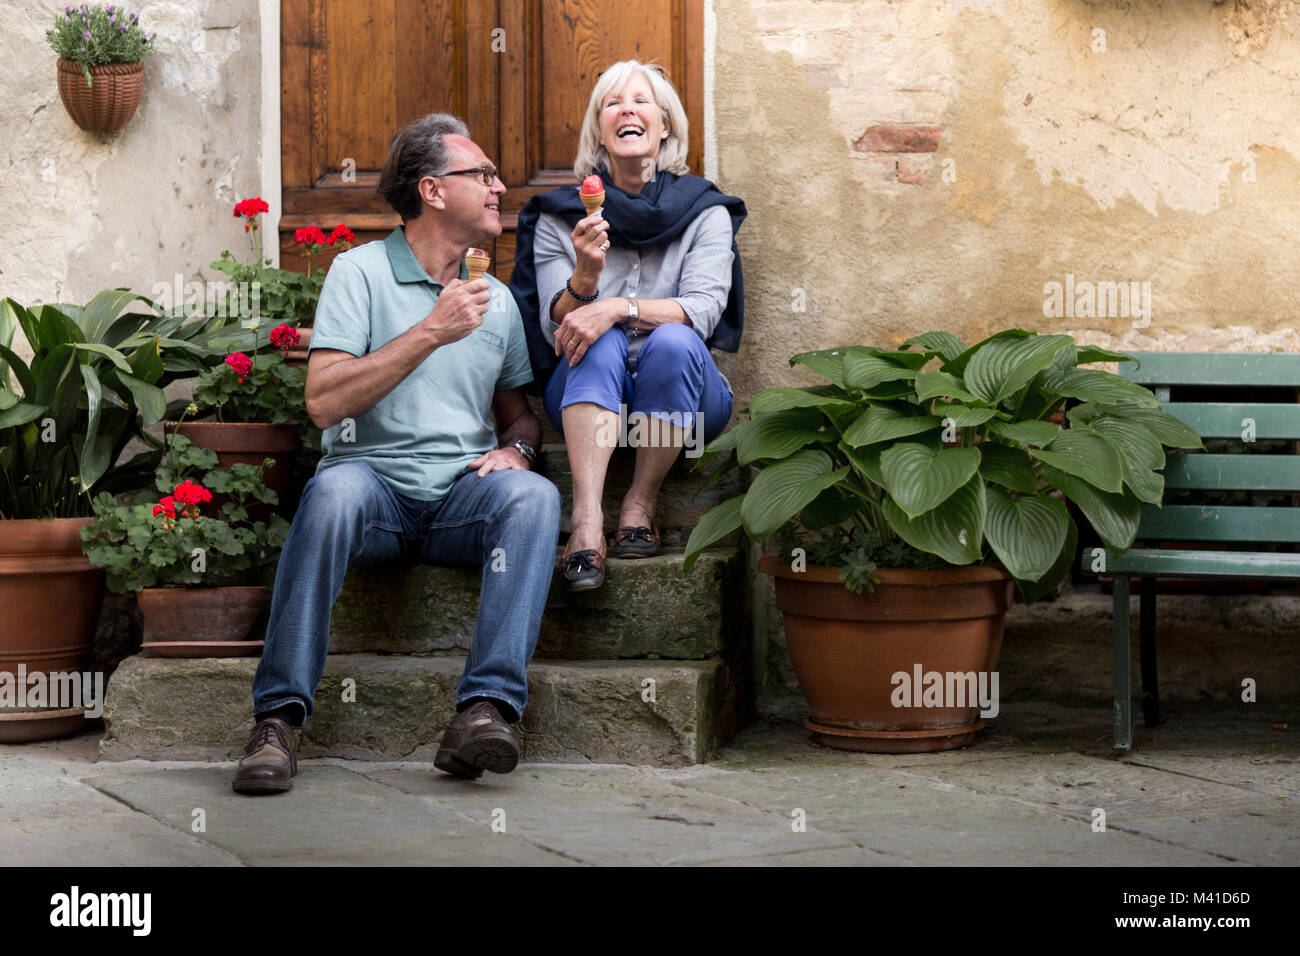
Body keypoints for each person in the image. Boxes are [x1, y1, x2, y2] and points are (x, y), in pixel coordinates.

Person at [233, 113, 561, 794]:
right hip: (373, 491)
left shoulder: (495, 301)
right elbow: (323, 403)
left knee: (533, 497)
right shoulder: (359, 273)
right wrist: (431, 331)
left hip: (461, 501)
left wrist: (520, 452)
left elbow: (519, 416)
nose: (500, 188)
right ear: (434, 190)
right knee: (331, 492)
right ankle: (277, 721)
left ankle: (484, 710)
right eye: (484, 175)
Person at [510, 60, 747, 591]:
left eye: (641, 101)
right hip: (589, 389)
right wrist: (586, 275)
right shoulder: (560, 216)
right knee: (595, 338)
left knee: (674, 338)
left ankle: (640, 502)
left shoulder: (705, 210)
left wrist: (619, 307)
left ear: (665, 126)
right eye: (613, 103)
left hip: (687, 394)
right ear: (600, 129)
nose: (627, 111)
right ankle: (587, 519)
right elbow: (560, 329)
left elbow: (704, 309)